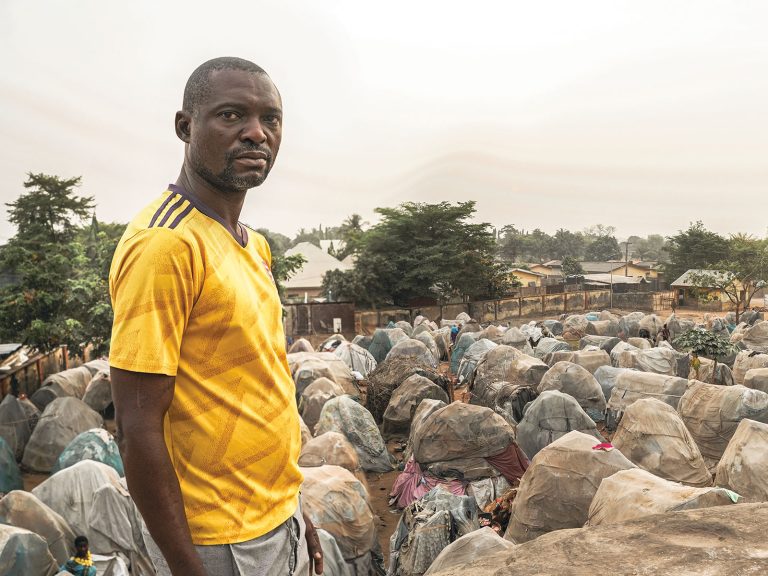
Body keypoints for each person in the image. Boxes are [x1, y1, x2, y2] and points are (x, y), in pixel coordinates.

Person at [109, 57, 322, 576]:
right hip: (214, 543)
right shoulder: (165, 245)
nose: (256, 133)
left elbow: (262, 385)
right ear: (185, 126)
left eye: (270, 119)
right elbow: (137, 427)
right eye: (231, 116)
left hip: (274, 521)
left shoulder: (255, 247)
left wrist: (293, 508)